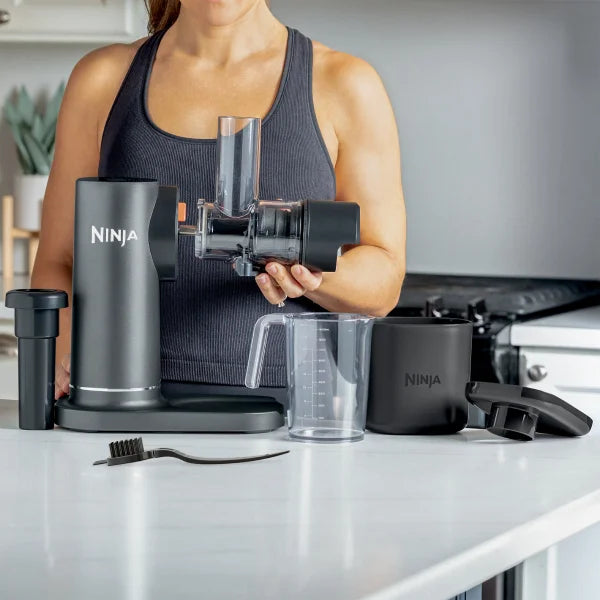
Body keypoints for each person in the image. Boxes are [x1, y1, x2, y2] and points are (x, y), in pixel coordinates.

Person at [31, 0, 406, 399]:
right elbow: (59, 259)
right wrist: (72, 361)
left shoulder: (345, 83)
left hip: (290, 410)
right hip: (121, 400)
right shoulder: (102, 78)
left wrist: (306, 271)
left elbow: (383, 281)